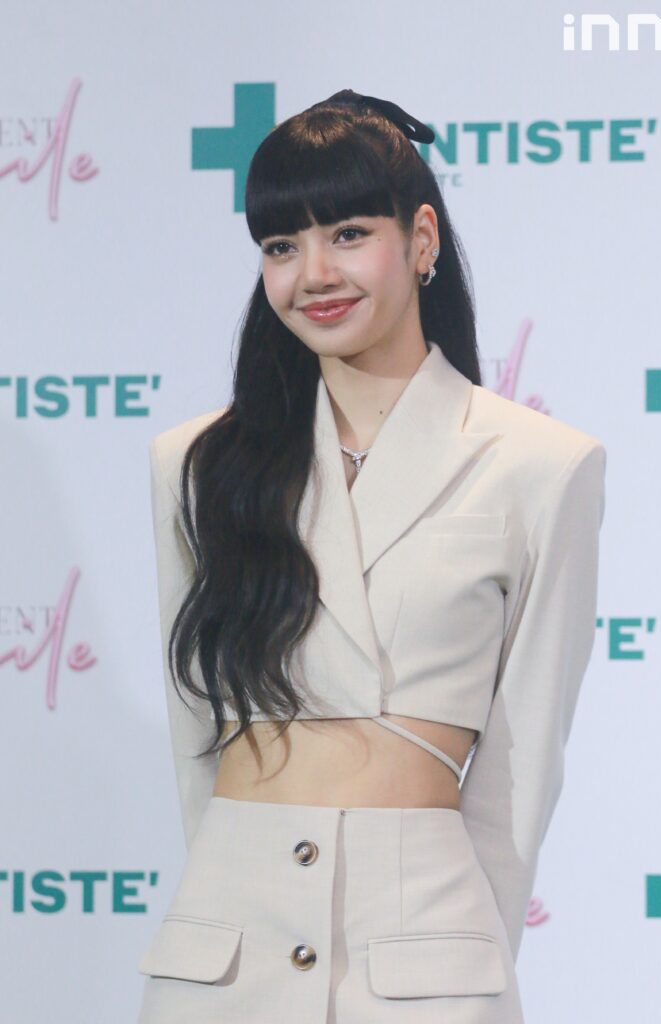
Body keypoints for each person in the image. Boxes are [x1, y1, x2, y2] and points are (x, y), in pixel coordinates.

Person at [136, 89, 607, 1023]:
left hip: (426, 944)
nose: (312, 274)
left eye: (347, 234)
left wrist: (466, 945)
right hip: (222, 947)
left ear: (421, 239)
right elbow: (196, 742)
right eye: (280, 246)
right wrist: (224, 881)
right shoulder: (197, 464)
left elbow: (521, 767)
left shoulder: (541, 465)